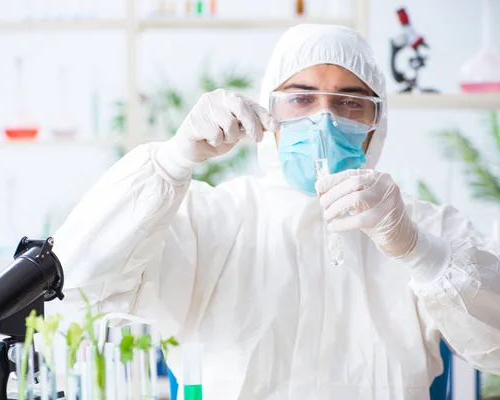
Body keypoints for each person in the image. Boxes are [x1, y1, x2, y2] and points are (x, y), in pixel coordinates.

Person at [52, 24, 500, 399]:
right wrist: (171, 162)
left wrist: (418, 252)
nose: (324, 120)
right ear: (270, 111)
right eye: (301, 99)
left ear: (375, 122)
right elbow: (76, 284)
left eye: (349, 102)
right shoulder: (214, 219)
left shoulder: (427, 227)